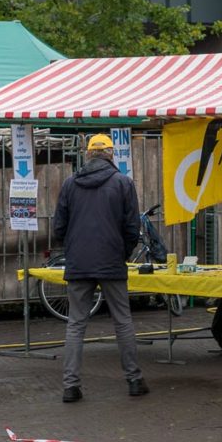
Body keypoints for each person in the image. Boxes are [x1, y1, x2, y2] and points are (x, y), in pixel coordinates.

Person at [53, 133, 147, 403]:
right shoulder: (123, 183)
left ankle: (70, 386)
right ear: (110, 155)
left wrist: (72, 248)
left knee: (76, 323)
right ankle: (134, 380)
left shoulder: (71, 183)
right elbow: (132, 228)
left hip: (79, 262)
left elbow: (59, 226)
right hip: (111, 261)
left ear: (88, 154)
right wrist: (122, 253)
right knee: (122, 320)